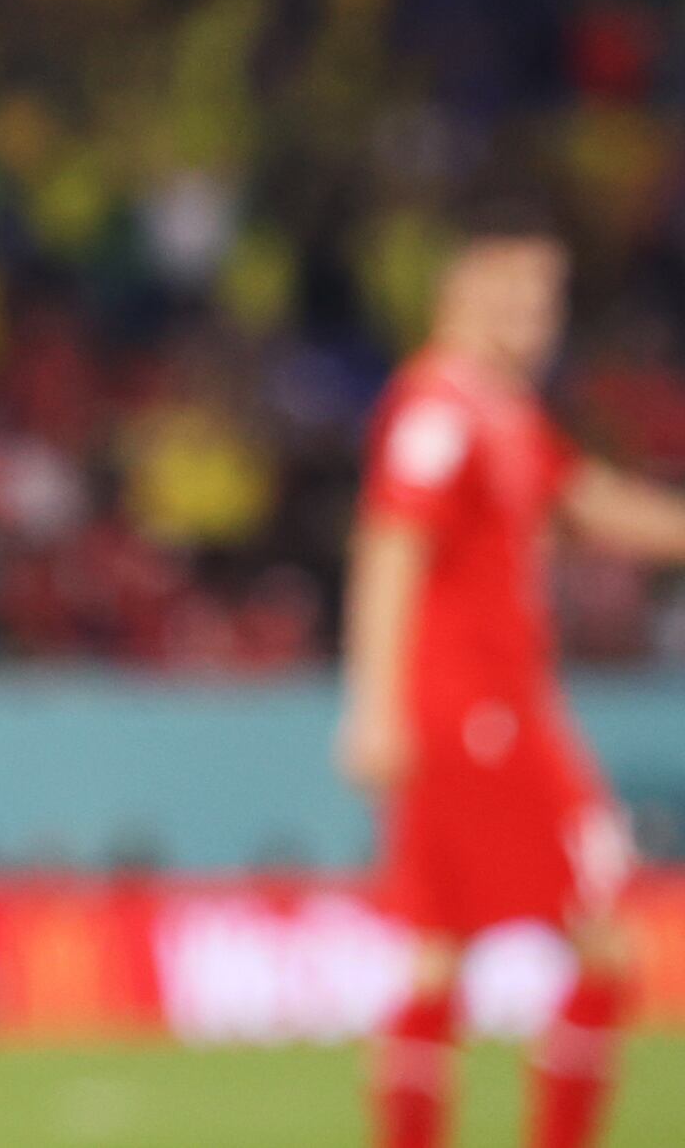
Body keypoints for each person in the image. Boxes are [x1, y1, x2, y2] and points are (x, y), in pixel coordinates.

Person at [340, 203, 685, 1148]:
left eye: (551, 296)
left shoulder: (503, 410)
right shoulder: (437, 410)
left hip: (484, 711)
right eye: (519, 292)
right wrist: (373, 706)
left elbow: (592, 503)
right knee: (605, 944)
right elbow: (391, 542)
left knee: (438, 956)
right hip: (479, 716)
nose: (540, 315)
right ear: (462, 291)